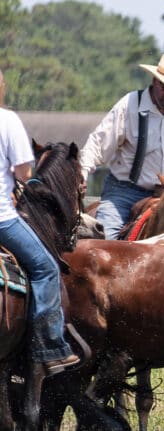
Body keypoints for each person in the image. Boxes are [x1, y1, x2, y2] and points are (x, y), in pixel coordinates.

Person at [0, 67, 79, 374]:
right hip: (3, 220)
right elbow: (23, 173)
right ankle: (50, 346)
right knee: (46, 267)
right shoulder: (7, 120)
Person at [80, 53, 164, 239]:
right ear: (155, 81)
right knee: (108, 240)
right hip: (124, 194)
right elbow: (98, 144)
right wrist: (82, 173)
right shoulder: (129, 105)